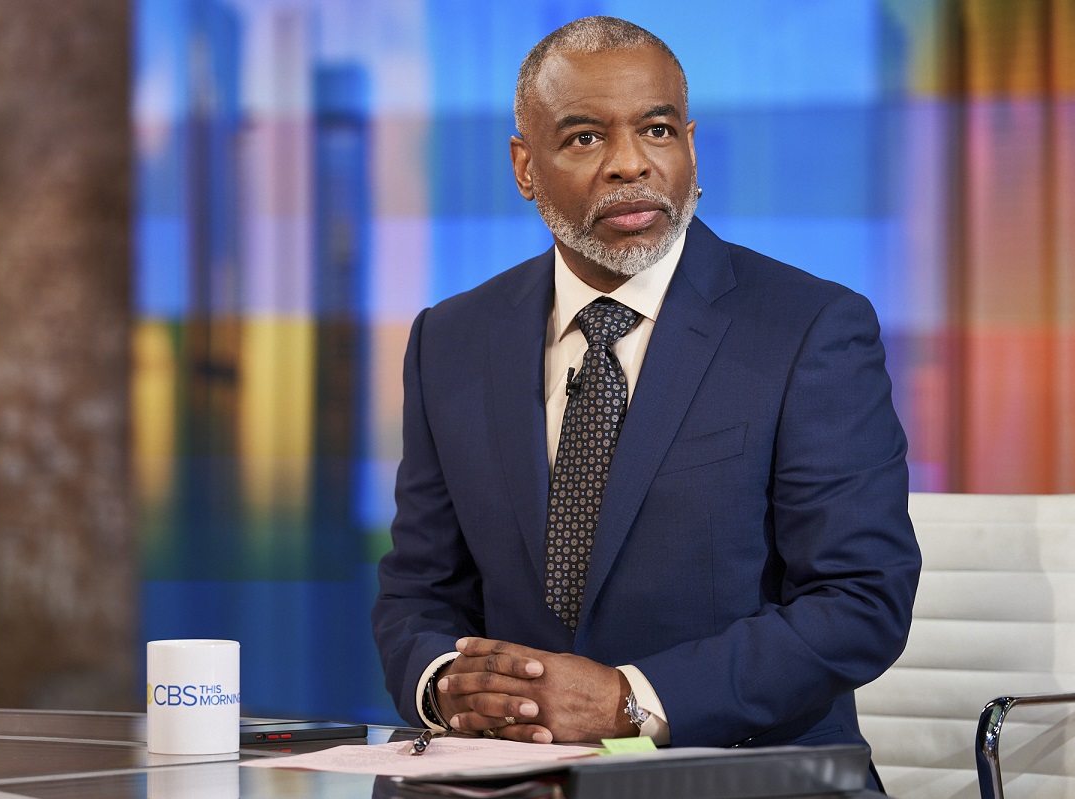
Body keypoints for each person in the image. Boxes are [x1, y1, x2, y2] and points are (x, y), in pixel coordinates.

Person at [371, 15, 920, 785]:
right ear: (525, 167)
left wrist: (629, 700)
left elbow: (861, 602)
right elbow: (420, 588)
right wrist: (446, 686)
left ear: (690, 149)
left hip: (746, 774)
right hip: (517, 779)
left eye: (657, 130)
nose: (630, 165)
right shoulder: (451, 339)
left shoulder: (807, 329)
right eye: (585, 138)